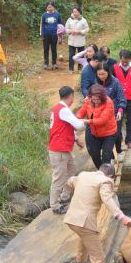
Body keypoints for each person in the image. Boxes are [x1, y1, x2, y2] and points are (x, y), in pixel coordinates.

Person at [63, 163, 128, 263]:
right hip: (85, 222)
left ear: (100, 170)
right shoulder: (106, 181)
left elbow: (70, 181)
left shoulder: (83, 175)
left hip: (71, 219)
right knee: (98, 259)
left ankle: (80, 261)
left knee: (85, 235)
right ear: (110, 175)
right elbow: (107, 199)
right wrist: (121, 216)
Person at [48, 86, 85, 215]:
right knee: (59, 177)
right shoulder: (64, 110)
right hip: (59, 150)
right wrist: (87, 121)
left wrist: (76, 139)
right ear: (70, 96)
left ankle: (65, 196)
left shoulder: (58, 109)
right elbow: (78, 125)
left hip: (62, 148)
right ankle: (55, 205)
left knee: (71, 171)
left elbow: (66, 127)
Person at [76, 84, 118, 168]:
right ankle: (101, 171)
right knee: (94, 154)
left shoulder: (108, 102)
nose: (95, 101)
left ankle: (107, 173)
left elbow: (102, 120)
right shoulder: (89, 100)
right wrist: (77, 118)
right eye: (93, 99)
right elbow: (82, 111)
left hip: (108, 133)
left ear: (102, 97)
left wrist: (88, 121)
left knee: (106, 157)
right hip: (94, 132)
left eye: (98, 99)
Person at [94, 65, 126, 160]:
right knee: (106, 135)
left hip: (115, 112)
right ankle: (110, 156)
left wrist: (120, 111)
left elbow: (122, 99)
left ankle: (119, 150)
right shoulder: (96, 82)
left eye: (103, 74)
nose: (101, 76)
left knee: (116, 133)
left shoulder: (115, 83)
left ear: (108, 72)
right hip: (102, 113)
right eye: (99, 74)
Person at [113, 49, 131, 150]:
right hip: (119, 100)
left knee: (130, 120)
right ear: (120, 59)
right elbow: (112, 83)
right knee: (118, 120)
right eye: (122, 61)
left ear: (130, 59)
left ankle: (128, 141)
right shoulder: (115, 68)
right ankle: (119, 140)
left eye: (126, 61)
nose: (124, 63)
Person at [65, 6, 89, 73]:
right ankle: (71, 69)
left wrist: (80, 31)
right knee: (71, 55)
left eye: (76, 12)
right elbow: (66, 28)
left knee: (81, 55)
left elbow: (87, 29)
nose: (75, 13)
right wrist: (70, 31)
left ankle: (80, 69)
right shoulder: (69, 20)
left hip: (80, 40)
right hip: (72, 40)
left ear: (79, 12)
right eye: (73, 12)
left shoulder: (83, 20)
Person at [40, 1, 63, 70]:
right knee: (46, 49)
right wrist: (42, 35)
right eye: (48, 7)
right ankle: (46, 63)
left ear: (53, 7)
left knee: (54, 49)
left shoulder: (57, 15)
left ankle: (54, 63)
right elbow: (42, 26)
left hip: (54, 35)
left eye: (50, 7)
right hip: (46, 35)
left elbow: (61, 26)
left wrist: (60, 36)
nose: (49, 8)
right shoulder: (44, 15)